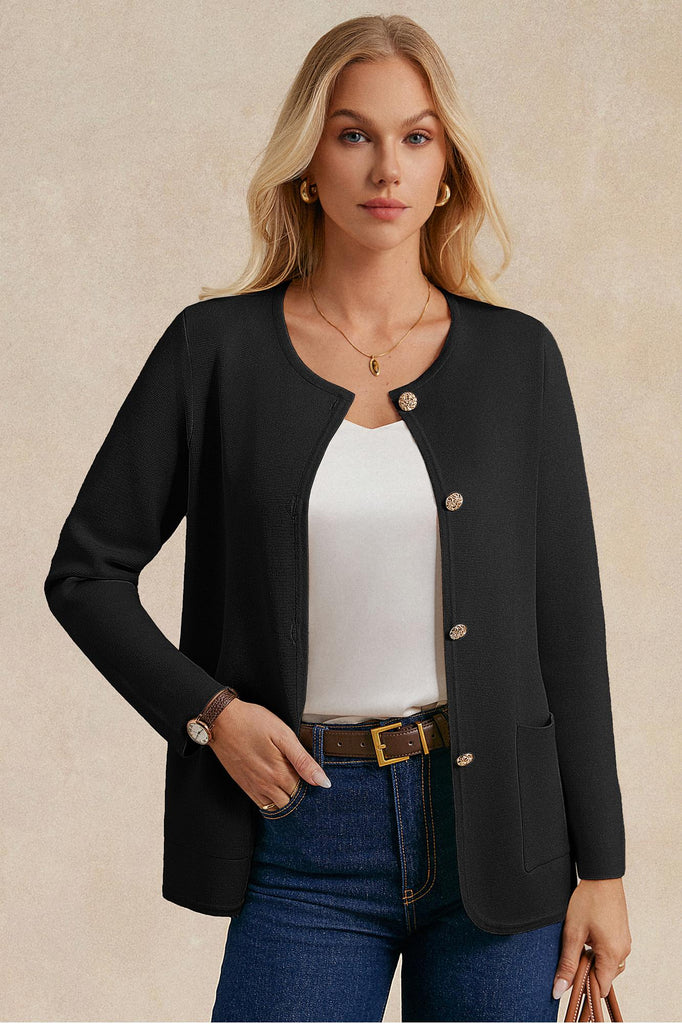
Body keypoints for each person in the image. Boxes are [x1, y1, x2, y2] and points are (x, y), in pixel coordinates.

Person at [44, 14, 632, 1024]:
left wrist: (604, 869)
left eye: (416, 137)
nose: (385, 167)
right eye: (353, 134)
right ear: (308, 163)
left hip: (501, 837)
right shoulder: (214, 350)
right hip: (304, 833)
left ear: (446, 170)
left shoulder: (517, 360)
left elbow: (567, 628)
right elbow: (85, 572)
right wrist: (210, 713)